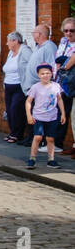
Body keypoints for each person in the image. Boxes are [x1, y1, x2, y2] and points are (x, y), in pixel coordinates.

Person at [25, 63, 66, 169]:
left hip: (52, 117)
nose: (45, 75)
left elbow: (60, 100)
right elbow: (28, 101)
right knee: (38, 137)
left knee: (50, 139)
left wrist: (63, 114)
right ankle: (32, 158)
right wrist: (29, 115)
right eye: (42, 73)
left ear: (52, 74)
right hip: (38, 117)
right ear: (38, 75)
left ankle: (51, 160)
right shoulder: (35, 87)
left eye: (48, 73)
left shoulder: (56, 86)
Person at [1, 31, 31, 143]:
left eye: (8, 41)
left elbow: (32, 65)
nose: (6, 44)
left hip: (19, 85)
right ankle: (12, 132)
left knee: (15, 109)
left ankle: (18, 134)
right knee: (9, 110)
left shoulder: (25, 51)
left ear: (16, 41)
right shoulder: (10, 53)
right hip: (8, 85)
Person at [54, 17, 75, 155]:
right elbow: (57, 61)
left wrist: (64, 67)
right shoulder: (63, 42)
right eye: (66, 30)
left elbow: (69, 63)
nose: (68, 33)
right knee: (68, 115)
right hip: (63, 83)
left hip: (72, 82)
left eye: (72, 30)